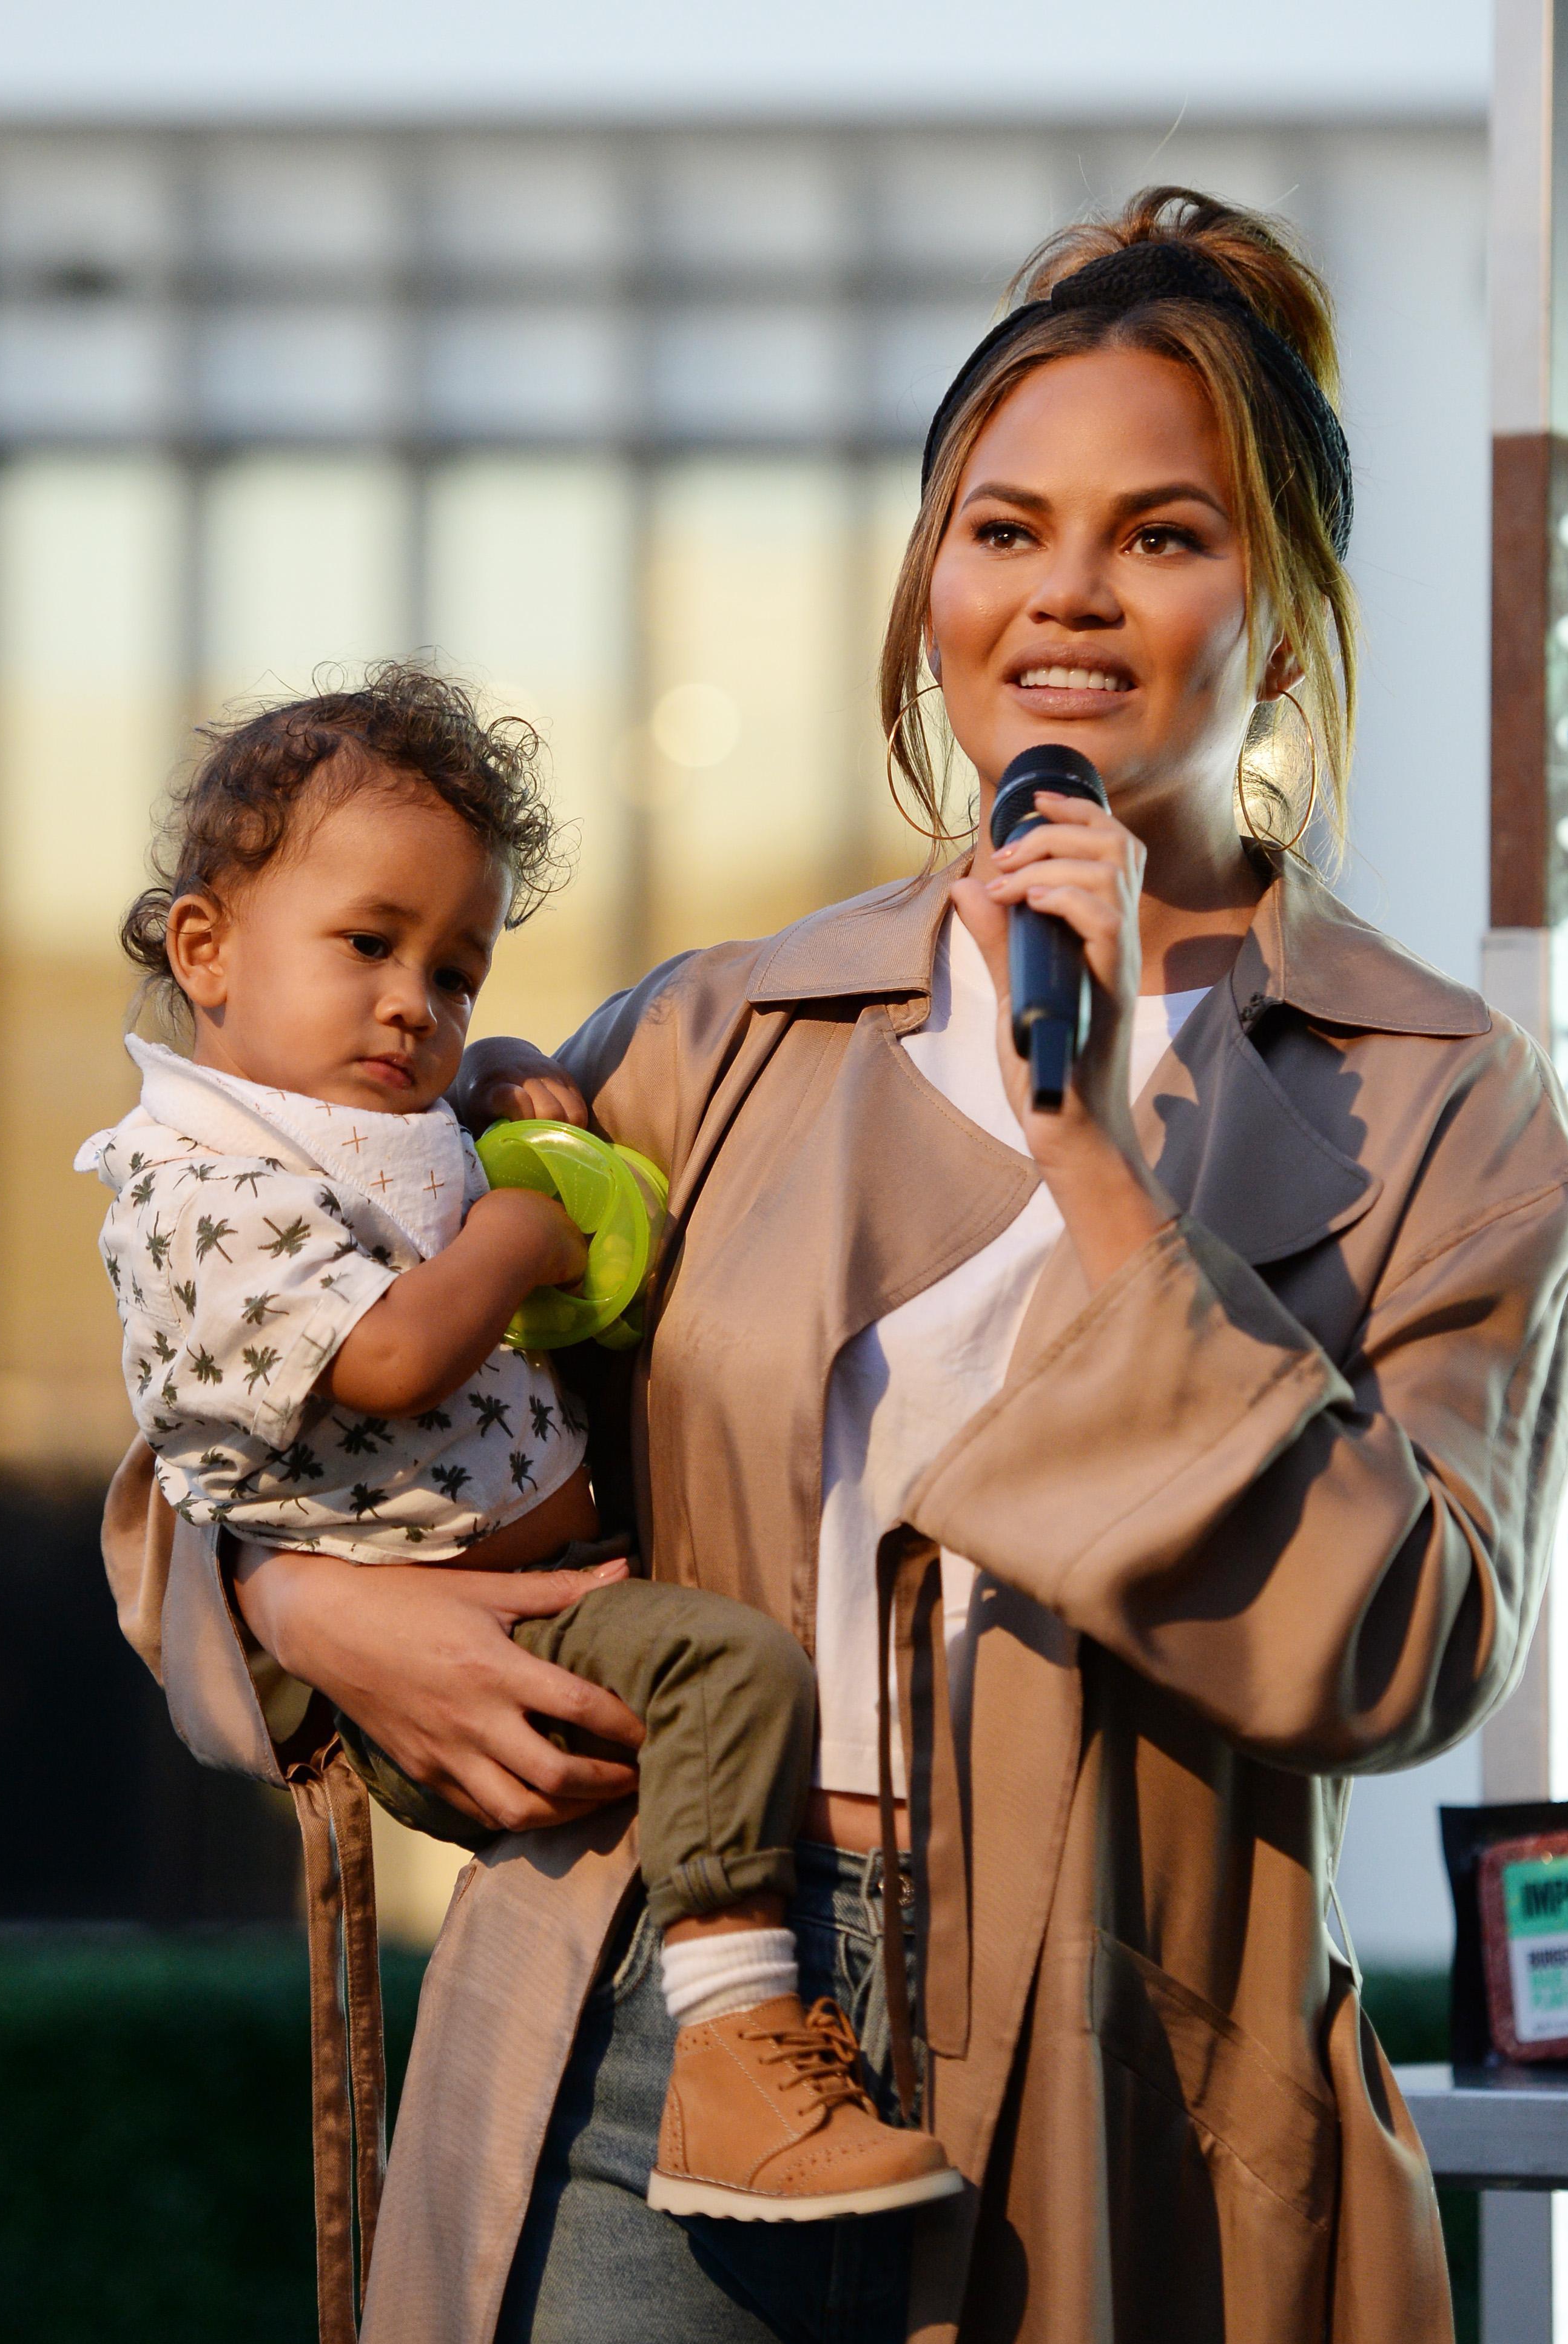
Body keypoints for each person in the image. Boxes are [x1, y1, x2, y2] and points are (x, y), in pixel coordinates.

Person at [101, 189, 1568, 2344]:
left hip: (1117, 2086)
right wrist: (304, 1607)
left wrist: (1097, 1157)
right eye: (1005, 528)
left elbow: (1410, 1637)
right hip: (635, 2026)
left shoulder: (1444, 1108)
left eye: (1164, 533)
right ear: (932, 585)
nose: (1070, 594)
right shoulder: (713, 1039)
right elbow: (232, 1402)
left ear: (1287, 608)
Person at [78, 665, 956, 2241]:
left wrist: (490, 1090)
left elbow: (424, 1147)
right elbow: (399, 1347)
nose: (415, 1001)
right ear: (206, 949)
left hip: (511, 1585)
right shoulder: (201, 1176)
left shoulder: (359, 1111)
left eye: (457, 970)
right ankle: (743, 2059)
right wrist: (521, 1226)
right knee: (733, 1675)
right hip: (458, 1632)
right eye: (369, 945)